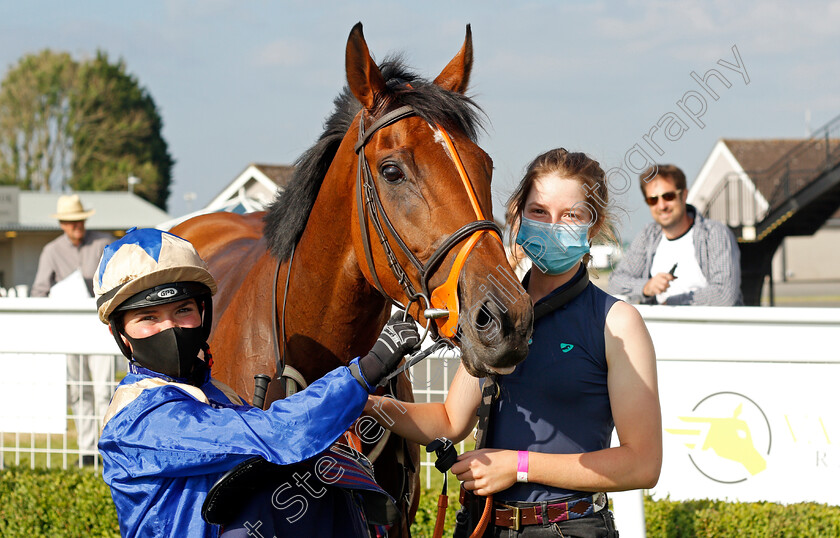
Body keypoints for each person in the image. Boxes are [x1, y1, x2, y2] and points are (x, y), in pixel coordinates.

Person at [368, 148, 662, 537]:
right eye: (539, 211)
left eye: (570, 215)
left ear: (593, 227)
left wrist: (518, 465)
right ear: (517, 215)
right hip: (482, 525)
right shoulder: (493, 316)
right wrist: (365, 404)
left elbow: (642, 464)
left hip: (568, 528)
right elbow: (449, 421)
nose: (552, 225)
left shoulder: (617, 322)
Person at [93, 227, 420, 537]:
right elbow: (273, 433)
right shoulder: (137, 421)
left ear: (203, 314)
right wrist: (364, 372)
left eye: (182, 310)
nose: (171, 328)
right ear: (119, 333)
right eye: (148, 317)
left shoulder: (216, 392)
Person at [31, 193, 113, 465]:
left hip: (100, 329)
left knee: (104, 389)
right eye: (69, 221)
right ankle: (87, 451)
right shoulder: (51, 251)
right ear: (62, 224)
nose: (75, 225)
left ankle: (108, 448)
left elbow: (118, 280)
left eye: (78, 220)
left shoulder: (104, 243)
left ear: (84, 220)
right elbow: (39, 292)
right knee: (79, 391)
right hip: (69, 331)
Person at [607, 164, 742, 305]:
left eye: (668, 196)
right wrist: (646, 287)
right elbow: (615, 283)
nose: (661, 205)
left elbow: (725, 294)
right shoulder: (648, 236)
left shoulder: (714, 233)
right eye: (653, 200)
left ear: (683, 195)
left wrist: (671, 303)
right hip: (658, 325)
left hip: (709, 325)